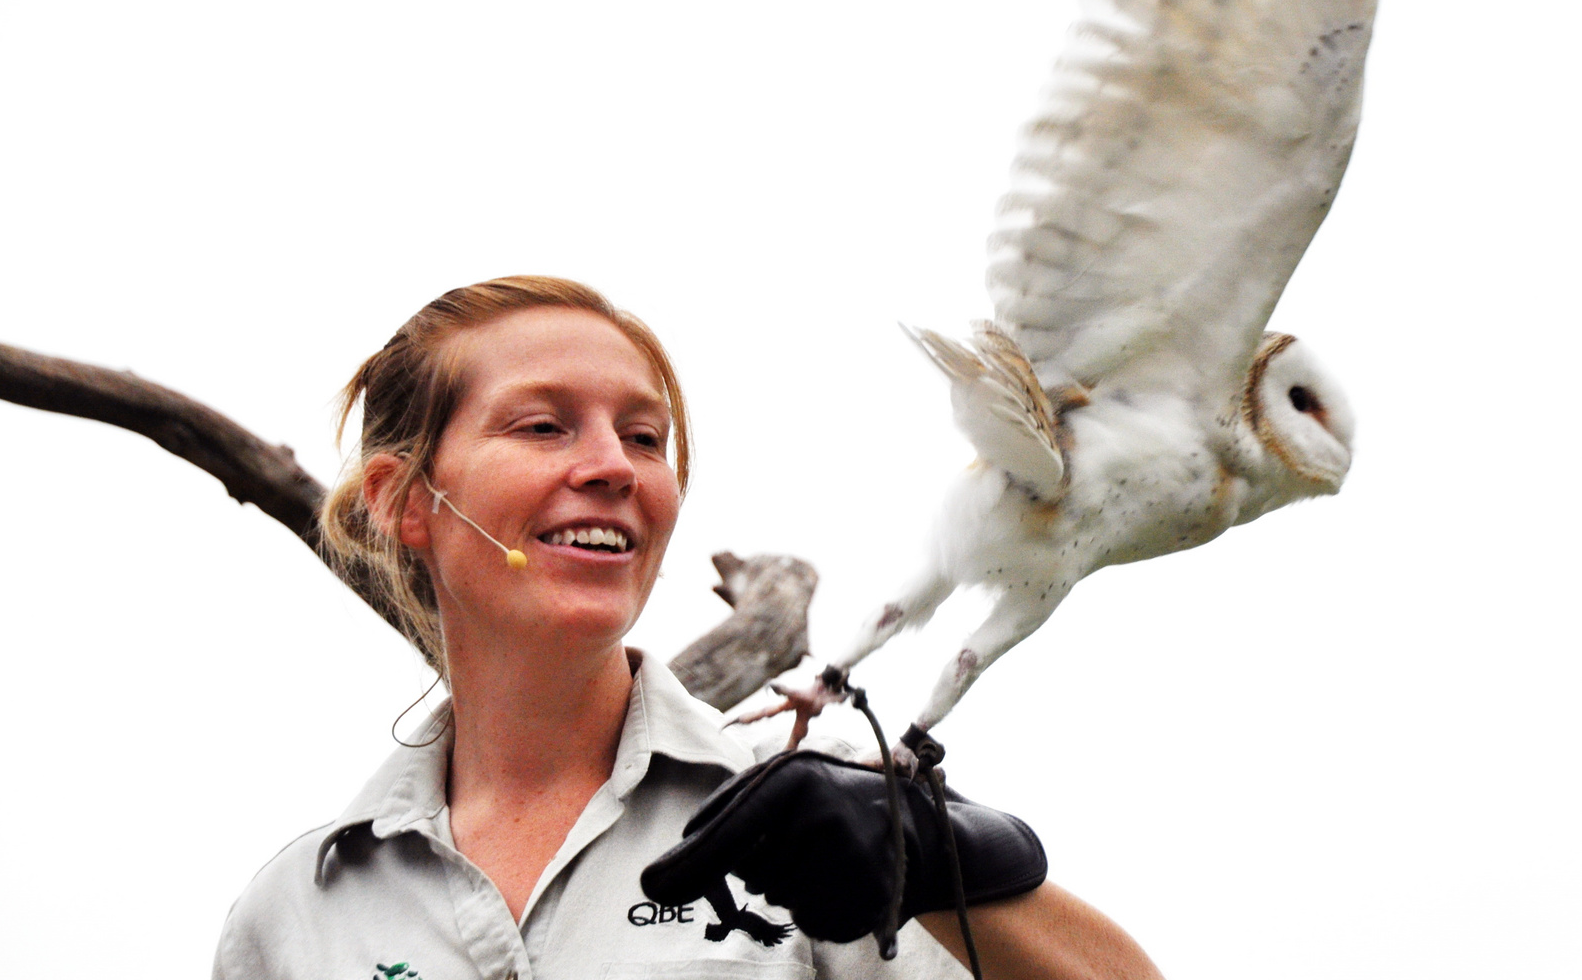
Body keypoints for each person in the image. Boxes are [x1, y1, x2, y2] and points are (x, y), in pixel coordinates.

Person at [212, 276, 1165, 980]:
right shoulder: (295, 915)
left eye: (644, 437)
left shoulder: (819, 818)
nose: (614, 467)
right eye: (544, 427)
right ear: (404, 501)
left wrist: (939, 860)